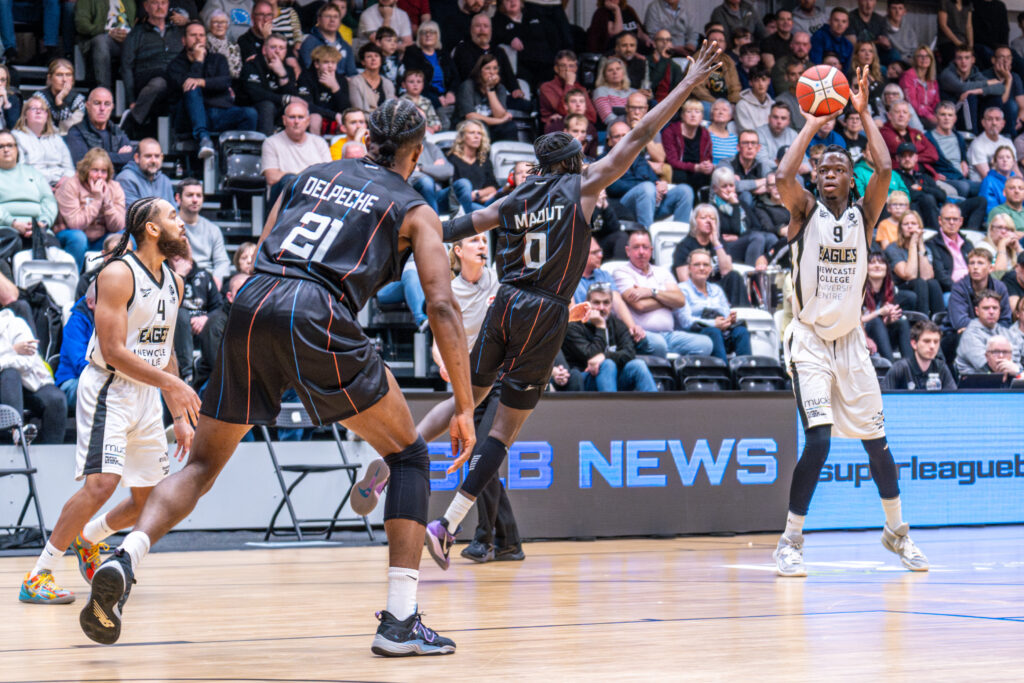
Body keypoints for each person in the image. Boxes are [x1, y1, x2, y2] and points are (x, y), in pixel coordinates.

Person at [80, 99, 478, 656]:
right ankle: (400, 622)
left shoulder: (310, 174)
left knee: (200, 465)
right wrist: (462, 404)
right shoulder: (414, 208)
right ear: (416, 149)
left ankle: (127, 556)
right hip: (317, 313)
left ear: (365, 138)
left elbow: (265, 245)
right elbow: (440, 305)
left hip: (254, 300)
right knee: (408, 455)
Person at [415, 42, 724, 573]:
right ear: (575, 162)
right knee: (500, 433)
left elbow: (451, 229)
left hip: (504, 302)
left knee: (469, 397)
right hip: (545, 311)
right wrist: (684, 85)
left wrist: (401, 224)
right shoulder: (579, 187)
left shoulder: (513, 200)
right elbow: (641, 134)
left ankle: (397, 455)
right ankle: (447, 523)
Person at [772, 66, 928, 578]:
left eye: (839, 168)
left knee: (876, 444)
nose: (830, 173)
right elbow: (781, 177)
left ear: (850, 176)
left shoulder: (865, 212)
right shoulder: (804, 212)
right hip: (810, 341)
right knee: (817, 440)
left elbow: (883, 169)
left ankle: (896, 532)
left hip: (850, 343)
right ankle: (791, 540)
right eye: (824, 169)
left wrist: (861, 110)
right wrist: (814, 126)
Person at [19, 197, 194, 606]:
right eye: (172, 217)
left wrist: (179, 411)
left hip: (147, 396)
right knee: (102, 484)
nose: (181, 223)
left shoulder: (175, 282)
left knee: (148, 501)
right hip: (109, 389)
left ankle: (88, 538)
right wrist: (178, 389)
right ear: (151, 228)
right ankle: (39, 575)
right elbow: (113, 352)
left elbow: (163, 350)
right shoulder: (116, 274)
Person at [436, 233, 524, 563]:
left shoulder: (498, 283)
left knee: (481, 454)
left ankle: (485, 540)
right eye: (474, 241)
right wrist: (441, 359)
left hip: (500, 378)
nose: (482, 245)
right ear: (457, 251)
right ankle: (507, 542)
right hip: (468, 384)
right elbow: (438, 337)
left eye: (484, 241)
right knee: (483, 462)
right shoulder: (447, 291)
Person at [613, 228, 713, 358]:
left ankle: (679, 375)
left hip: (669, 335)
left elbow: (680, 300)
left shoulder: (663, 272)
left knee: (706, 344)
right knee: (659, 345)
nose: (641, 252)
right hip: (643, 334)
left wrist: (652, 292)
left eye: (645, 247)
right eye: (636, 247)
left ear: (651, 250)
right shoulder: (621, 272)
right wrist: (667, 302)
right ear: (628, 251)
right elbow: (640, 305)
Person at [168, 21, 258, 159]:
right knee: (191, 87)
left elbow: (225, 82)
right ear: (184, 40)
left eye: (201, 35)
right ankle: (204, 139)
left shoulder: (218, 59)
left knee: (250, 114)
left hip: (219, 113)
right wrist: (198, 61)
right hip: (189, 118)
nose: (198, 39)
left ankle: (239, 156)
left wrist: (202, 82)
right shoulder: (175, 65)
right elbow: (184, 86)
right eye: (193, 35)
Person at [563, 282, 657, 392]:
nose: (601, 307)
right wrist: (600, 327)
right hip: (585, 379)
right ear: (587, 303)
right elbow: (590, 356)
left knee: (638, 365)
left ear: (611, 304)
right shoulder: (574, 326)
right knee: (607, 364)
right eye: (596, 303)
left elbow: (629, 353)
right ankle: (610, 408)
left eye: (606, 303)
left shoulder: (618, 325)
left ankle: (657, 407)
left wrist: (604, 356)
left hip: (613, 378)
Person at [0, 310, 66, 446]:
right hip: (6, 385)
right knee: (10, 374)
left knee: (56, 399)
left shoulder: (15, 324)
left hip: (30, 382)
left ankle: (53, 457)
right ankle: (17, 432)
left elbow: (27, 361)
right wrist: (12, 350)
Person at [121, 0, 185, 135]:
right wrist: (132, 100)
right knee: (159, 83)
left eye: (163, 3)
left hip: (173, 79)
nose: (160, 7)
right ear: (146, 7)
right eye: (155, 3)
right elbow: (126, 66)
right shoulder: (136, 33)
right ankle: (132, 121)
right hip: (147, 77)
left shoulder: (178, 31)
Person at [679, 248, 751, 362]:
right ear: (689, 268)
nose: (702, 268)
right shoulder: (682, 289)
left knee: (741, 332)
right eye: (697, 265)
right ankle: (724, 374)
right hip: (696, 333)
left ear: (711, 269)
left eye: (705, 265)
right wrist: (714, 323)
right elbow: (685, 322)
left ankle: (746, 374)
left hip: (721, 331)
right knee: (714, 332)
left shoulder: (716, 289)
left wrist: (728, 320)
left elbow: (726, 312)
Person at [54, 148, 127, 261]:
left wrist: (107, 201)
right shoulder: (71, 185)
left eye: (103, 171)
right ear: (86, 170)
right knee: (79, 238)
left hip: (101, 238)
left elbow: (118, 226)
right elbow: (75, 224)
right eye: (95, 170)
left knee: (125, 237)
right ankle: (75, 277)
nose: (99, 176)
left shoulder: (114, 187)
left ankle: (117, 275)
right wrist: (97, 200)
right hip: (71, 235)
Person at [0, 131, 59, 255]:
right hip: (5, 229)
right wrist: (13, 223)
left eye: (10, 145)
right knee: (11, 240)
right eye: (1, 146)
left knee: (52, 247)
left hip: (37, 227)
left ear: (17, 149)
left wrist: (42, 223)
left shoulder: (33, 173)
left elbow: (49, 200)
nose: (6, 150)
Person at [884, 210, 945, 317]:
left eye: (913, 224)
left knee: (933, 283)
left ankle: (940, 323)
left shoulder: (926, 248)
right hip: (900, 289)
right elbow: (909, 275)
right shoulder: (893, 248)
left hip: (921, 287)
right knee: (919, 282)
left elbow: (927, 276)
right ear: (900, 228)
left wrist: (920, 245)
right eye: (906, 224)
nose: (910, 227)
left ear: (920, 227)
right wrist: (913, 244)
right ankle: (921, 322)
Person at [260, 100, 331, 188]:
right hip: (285, 195)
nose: (296, 121)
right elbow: (271, 177)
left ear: (308, 121)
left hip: (313, 195)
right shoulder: (271, 143)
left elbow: (329, 175)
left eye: (300, 117)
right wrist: (306, 179)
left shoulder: (320, 143)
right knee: (287, 178)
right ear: (284, 120)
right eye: (292, 117)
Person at [242, 34, 301, 135]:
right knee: (267, 105)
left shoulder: (288, 69)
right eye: (273, 47)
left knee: (297, 107)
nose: (277, 51)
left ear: (285, 52)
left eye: (281, 48)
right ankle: (266, 144)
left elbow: (293, 97)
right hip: (253, 107)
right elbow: (255, 94)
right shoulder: (252, 65)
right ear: (264, 50)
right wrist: (284, 99)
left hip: (278, 110)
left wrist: (282, 75)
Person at [11, 94, 74, 188]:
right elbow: (19, 170)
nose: (38, 111)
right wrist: (43, 186)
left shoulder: (56, 139)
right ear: (25, 115)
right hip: (31, 185)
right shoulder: (16, 137)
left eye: (42, 109)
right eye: (33, 108)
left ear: (47, 116)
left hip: (61, 186)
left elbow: (69, 168)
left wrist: (66, 179)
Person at [66, 88, 136, 171]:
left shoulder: (116, 131)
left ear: (112, 107)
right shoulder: (76, 132)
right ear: (87, 105)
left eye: (107, 104)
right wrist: (119, 157)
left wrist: (96, 156)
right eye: (97, 103)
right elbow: (83, 163)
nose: (102, 108)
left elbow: (132, 157)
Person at [176, 178, 230, 286]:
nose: (195, 200)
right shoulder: (171, 226)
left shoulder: (213, 229)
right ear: (178, 198)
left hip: (207, 281)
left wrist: (216, 280)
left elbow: (222, 262)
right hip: (181, 277)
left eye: (199, 195)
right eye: (190, 195)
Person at [75, 0, 136, 91]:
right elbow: (82, 25)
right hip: (102, 38)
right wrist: (108, 31)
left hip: (128, 38)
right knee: (101, 41)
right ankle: (104, 92)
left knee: (143, 42)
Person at [862, 251, 912, 362]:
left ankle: (909, 368)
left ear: (886, 268)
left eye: (881, 262)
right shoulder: (859, 290)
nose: (877, 265)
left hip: (881, 335)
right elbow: (855, 321)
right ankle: (892, 369)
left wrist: (889, 319)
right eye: (872, 262)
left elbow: (882, 323)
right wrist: (879, 312)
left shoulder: (890, 289)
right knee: (875, 321)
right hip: (861, 337)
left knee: (901, 322)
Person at [455, 54, 517, 142]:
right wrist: (501, 121)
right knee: (482, 126)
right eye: (487, 68)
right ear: (480, 71)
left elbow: (499, 115)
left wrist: (490, 89)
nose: (492, 72)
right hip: (469, 127)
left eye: (495, 68)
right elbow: (471, 116)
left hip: (492, 127)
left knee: (509, 127)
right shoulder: (468, 86)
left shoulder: (500, 88)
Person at [955, 291, 1018, 375]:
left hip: (1003, 382)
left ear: (1000, 311)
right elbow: (992, 367)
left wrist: (1017, 369)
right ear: (977, 311)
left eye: (995, 308)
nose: (991, 312)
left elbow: (1018, 359)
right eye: (986, 308)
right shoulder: (970, 335)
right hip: (975, 384)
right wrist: (1017, 370)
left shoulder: (1005, 332)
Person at [883, 320, 957, 390]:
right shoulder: (899, 368)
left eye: (936, 342)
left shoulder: (941, 368)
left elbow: (952, 399)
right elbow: (883, 399)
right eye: (926, 341)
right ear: (914, 344)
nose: (932, 346)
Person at [446, 119, 498, 214]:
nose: (476, 136)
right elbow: (455, 191)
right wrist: (483, 195)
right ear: (462, 136)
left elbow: (493, 187)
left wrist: (477, 194)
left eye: (479, 133)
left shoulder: (484, 160)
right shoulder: (452, 158)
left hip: (484, 202)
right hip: (459, 205)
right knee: (488, 213)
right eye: (472, 133)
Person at [402, 21, 457, 109]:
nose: (428, 35)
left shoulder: (443, 54)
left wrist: (451, 92)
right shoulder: (412, 53)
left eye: (432, 32)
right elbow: (416, 80)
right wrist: (438, 96)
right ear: (419, 36)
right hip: (425, 93)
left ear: (437, 35)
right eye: (424, 32)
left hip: (445, 95)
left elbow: (455, 76)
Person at [300, 45, 352, 135]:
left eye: (333, 62)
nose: (330, 66)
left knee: (348, 119)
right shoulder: (305, 78)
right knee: (315, 118)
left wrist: (335, 88)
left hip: (336, 118)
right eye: (326, 62)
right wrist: (334, 115)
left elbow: (346, 109)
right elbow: (308, 105)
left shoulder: (341, 79)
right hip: (315, 116)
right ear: (317, 64)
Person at [539, 50, 596, 129]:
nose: (567, 69)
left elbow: (592, 117)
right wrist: (569, 84)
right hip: (555, 129)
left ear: (575, 69)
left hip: (580, 127)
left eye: (571, 66)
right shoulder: (547, 87)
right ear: (556, 69)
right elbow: (564, 111)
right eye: (563, 66)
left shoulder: (580, 88)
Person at [926, 202, 974, 295]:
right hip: (951, 291)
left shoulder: (967, 243)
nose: (951, 222)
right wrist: (962, 291)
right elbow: (940, 276)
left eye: (955, 219)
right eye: (947, 219)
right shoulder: (932, 244)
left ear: (961, 221)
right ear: (940, 220)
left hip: (972, 288)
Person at [663, 99, 713, 189]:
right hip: (678, 170)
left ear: (702, 117)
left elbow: (708, 156)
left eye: (697, 112)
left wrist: (707, 165)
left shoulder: (705, 133)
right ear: (682, 115)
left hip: (698, 170)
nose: (693, 115)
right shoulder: (671, 131)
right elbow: (672, 161)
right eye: (689, 111)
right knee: (680, 175)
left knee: (711, 176)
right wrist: (695, 167)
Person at [298, 2, 357, 78]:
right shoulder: (310, 42)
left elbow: (352, 73)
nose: (332, 20)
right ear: (319, 20)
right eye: (328, 16)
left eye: (336, 17)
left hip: (342, 86)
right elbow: (308, 71)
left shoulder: (345, 46)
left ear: (339, 21)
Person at [115, 138, 175, 206]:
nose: (153, 161)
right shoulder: (126, 179)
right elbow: (136, 213)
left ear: (162, 157)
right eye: (148, 156)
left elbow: (173, 212)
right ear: (137, 158)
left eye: (157, 156)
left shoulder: (165, 181)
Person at [900, 46, 940, 130]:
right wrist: (929, 115)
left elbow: (936, 101)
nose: (924, 59)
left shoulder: (932, 80)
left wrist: (937, 115)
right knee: (936, 127)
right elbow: (911, 102)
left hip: (930, 114)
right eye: (920, 56)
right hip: (914, 114)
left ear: (931, 59)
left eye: (927, 56)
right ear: (915, 59)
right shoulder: (908, 76)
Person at [348, 43, 396, 113]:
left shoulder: (388, 83)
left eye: (376, 56)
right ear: (363, 62)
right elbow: (358, 110)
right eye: (369, 56)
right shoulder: (355, 82)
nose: (373, 59)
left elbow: (390, 110)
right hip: (363, 122)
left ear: (381, 60)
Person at [593, 57, 636, 126]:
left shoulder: (634, 92)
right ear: (604, 76)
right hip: (615, 129)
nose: (615, 72)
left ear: (623, 73)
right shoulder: (600, 91)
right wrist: (627, 126)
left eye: (618, 69)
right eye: (610, 70)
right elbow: (608, 117)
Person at [810, 7, 852, 72]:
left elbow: (846, 70)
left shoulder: (848, 45)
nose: (840, 24)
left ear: (847, 24)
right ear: (829, 21)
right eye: (836, 20)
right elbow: (815, 65)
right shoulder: (819, 37)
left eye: (843, 21)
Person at [980, 145, 1020, 212]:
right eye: (1001, 158)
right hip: (999, 220)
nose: (1005, 160)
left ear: (1013, 162)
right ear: (995, 162)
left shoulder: (1018, 182)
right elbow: (991, 210)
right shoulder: (988, 181)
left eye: (1008, 157)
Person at [399, 69, 441, 134]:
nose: (415, 85)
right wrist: (425, 128)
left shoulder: (426, 101)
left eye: (418, 82)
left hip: (428, 133)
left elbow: (433, 116)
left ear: (423, 85)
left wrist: (436, 125)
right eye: (411, 82)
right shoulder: (401, 102)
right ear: (403, 85)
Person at [735, 66, 773, 132]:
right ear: (750, 83)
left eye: (763, 80)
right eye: (756, 80)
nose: (761, 84)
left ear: (769, 81)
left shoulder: (773, 105)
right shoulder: (742, 105)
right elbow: (747, 132)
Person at [937, 0, 973, 65]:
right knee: (953, 59)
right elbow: (943, 25)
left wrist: (971, 45)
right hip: (947, 41)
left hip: (963, 41)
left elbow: (969, 26)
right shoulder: (945, 2)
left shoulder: (968, 4)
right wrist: (958, 43)